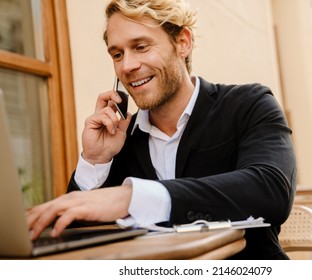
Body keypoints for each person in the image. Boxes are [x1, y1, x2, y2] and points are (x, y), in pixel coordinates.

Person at [27, 0, 296, 260]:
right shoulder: (119, 137)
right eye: (117, 54)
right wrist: (95, 161)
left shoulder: (249, 104)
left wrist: (132, 197)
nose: (127, 66)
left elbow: (271, 190)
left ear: (183, 42)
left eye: (141, 47)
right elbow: (78, 234)